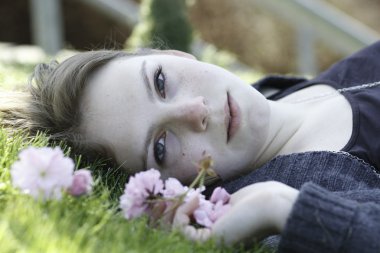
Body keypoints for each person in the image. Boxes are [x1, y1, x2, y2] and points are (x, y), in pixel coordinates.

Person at [1, 40, 380, 252]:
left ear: (173, 55)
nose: (196, 111)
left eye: (161, 81)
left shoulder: (275, 94)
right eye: (162, 147)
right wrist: (277, 207)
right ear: (175, 191)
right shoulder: (317, 191)